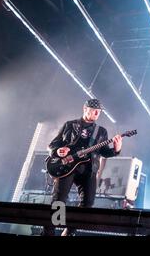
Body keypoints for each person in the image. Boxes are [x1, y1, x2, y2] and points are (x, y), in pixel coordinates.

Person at [41, 99, 123, 236]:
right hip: (66, 167)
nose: (97, 113)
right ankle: (49, 233)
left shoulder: (101, 131)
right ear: (85, 109)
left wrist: (116, 149)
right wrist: (57, 151)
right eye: (94, 110)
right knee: (59, 201)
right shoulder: (70, 125)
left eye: (99, 112)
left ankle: (69, 232)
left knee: (88, 203)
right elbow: (52, 145)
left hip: (88, 170)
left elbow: (104, 152)